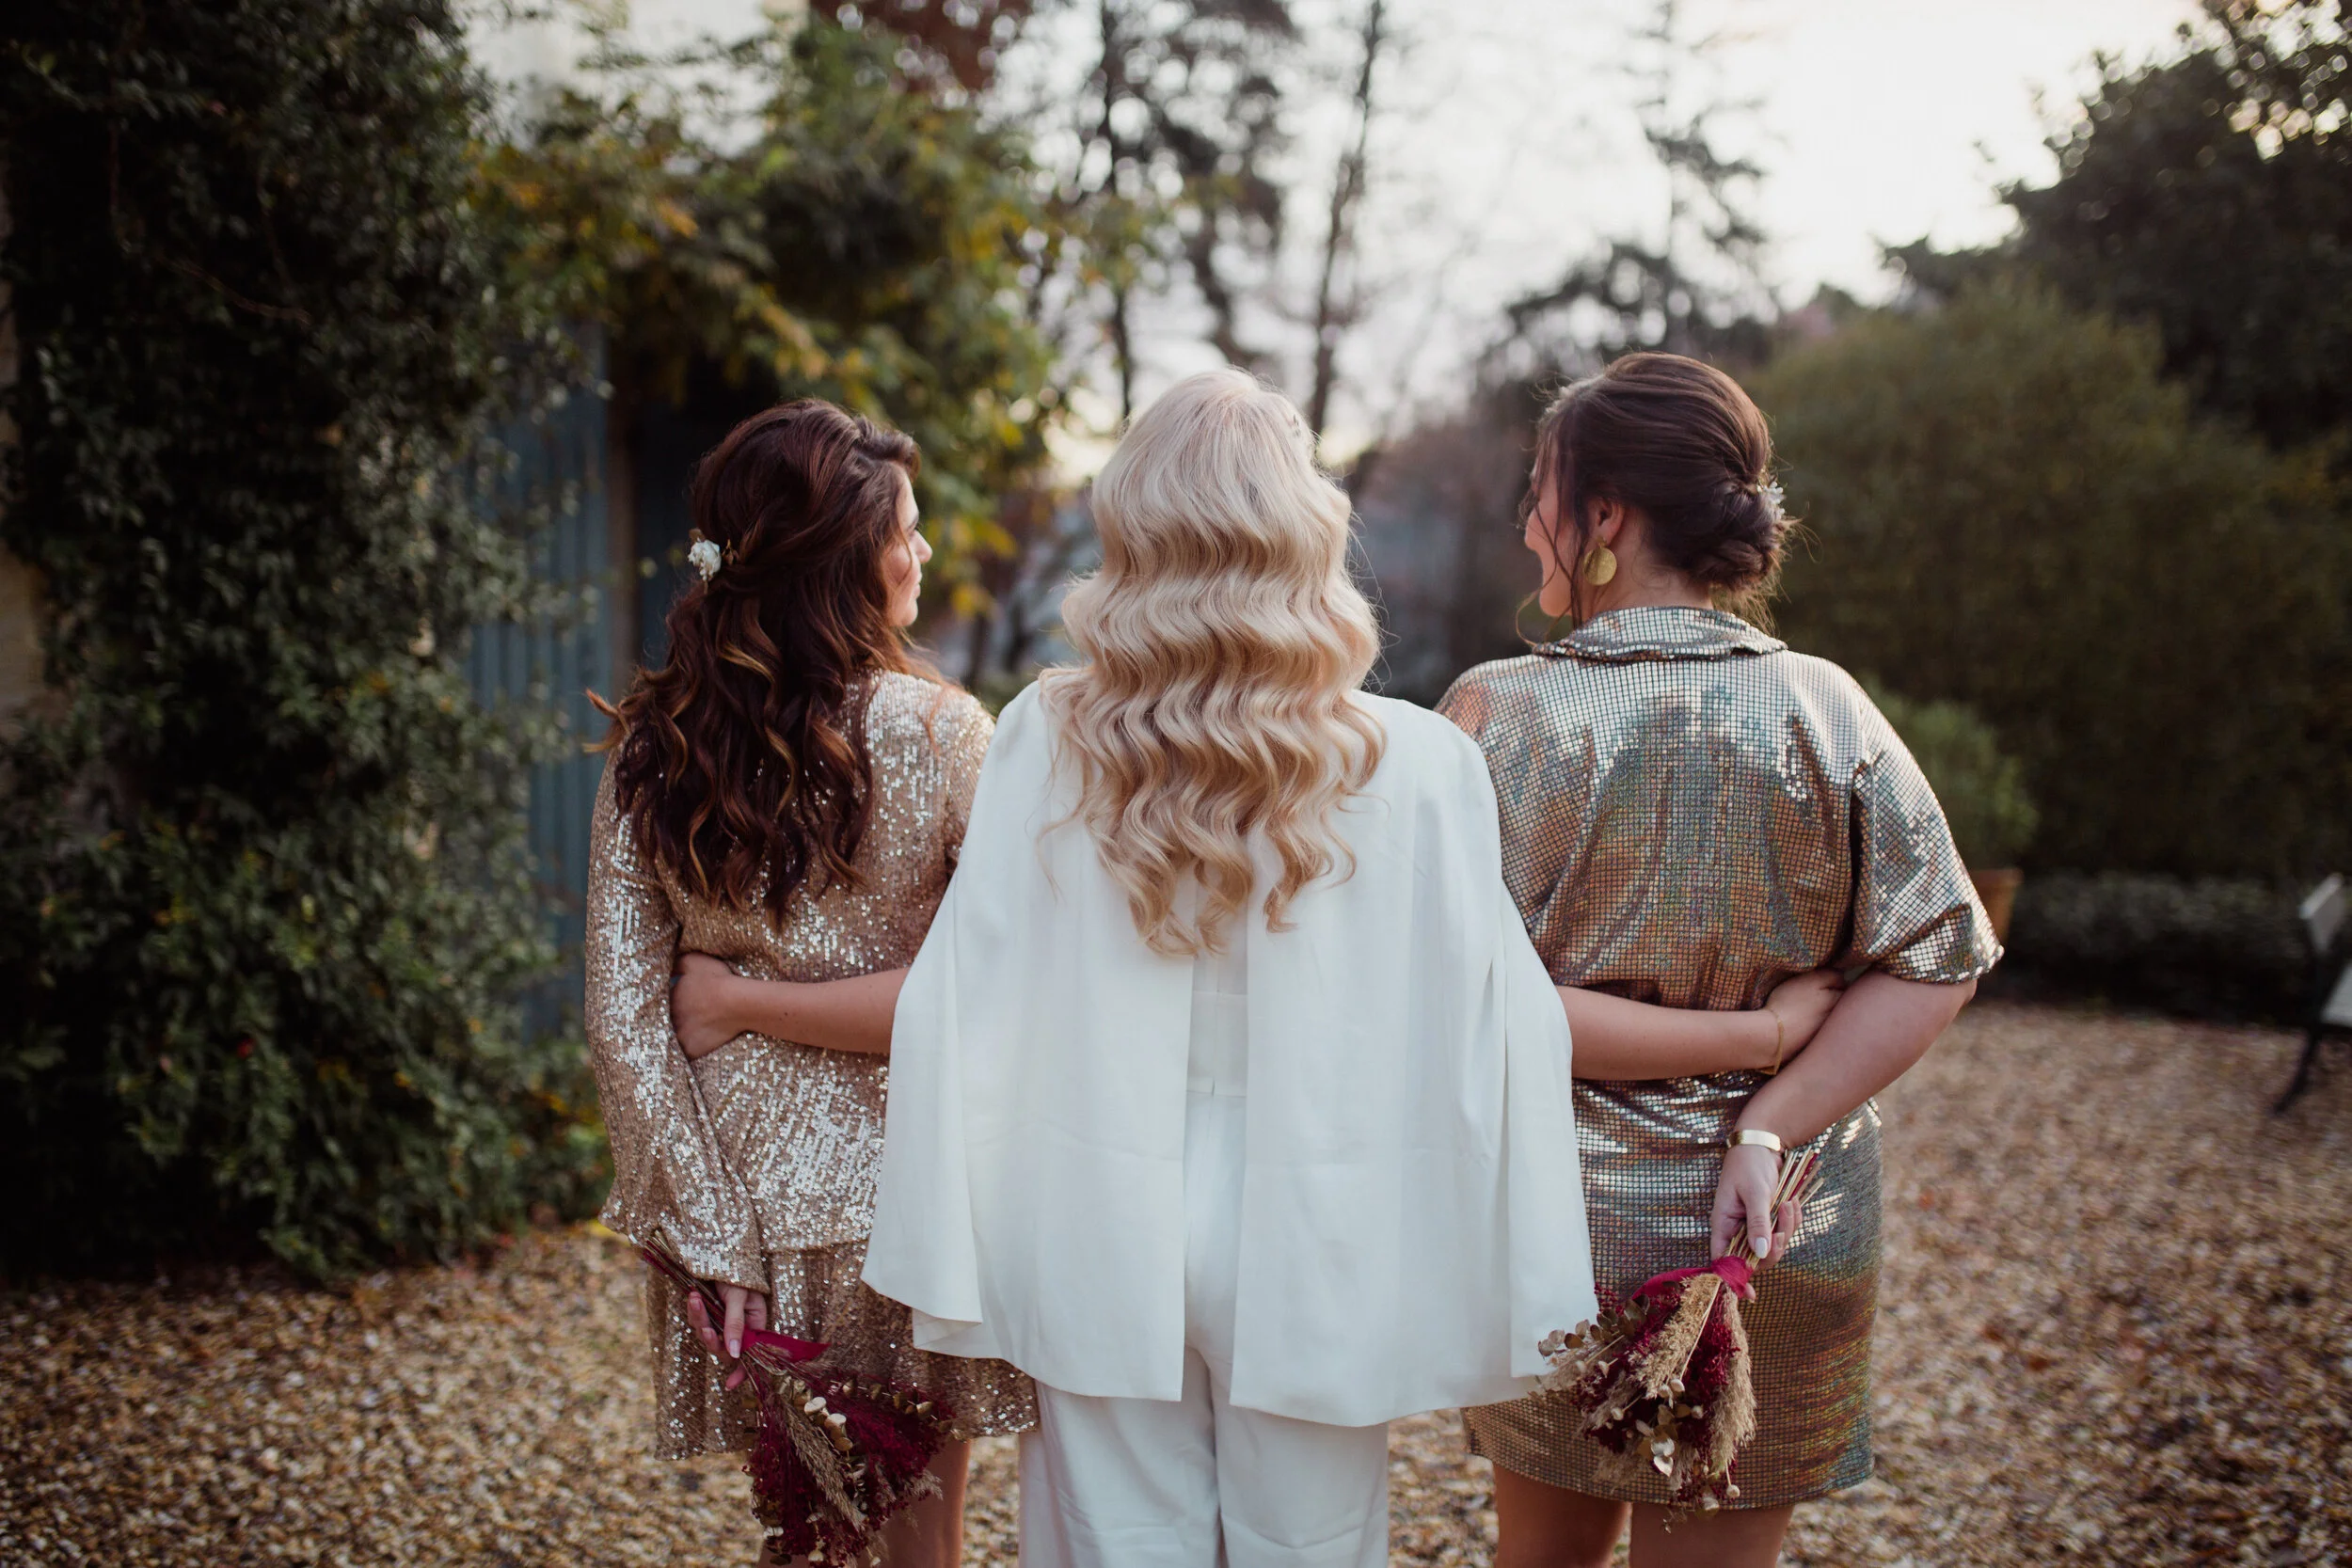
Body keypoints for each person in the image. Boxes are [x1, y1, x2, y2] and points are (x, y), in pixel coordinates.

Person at [672, 369, 1848, 1568]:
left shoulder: (1045, 735)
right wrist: (1750, 1044)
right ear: (1307, 532)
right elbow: (1498, 1029)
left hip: (1099, 1224)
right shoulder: (1422, 763)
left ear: (1133, 525)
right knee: (1311, 1545)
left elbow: (968, 1006)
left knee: (1114, 1542)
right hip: (1319, 1233)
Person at [1439, 352, 2001, 1568]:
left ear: (1605, 516)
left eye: (1543, 489)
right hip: (1780, 1221)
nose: (1528, 523)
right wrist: (1767, 1111)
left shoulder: (1492, 713)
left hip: (1556, 1220)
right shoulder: (1828, 707)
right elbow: (1939, 955)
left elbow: (1476, 1007)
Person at [583, 400, 1035, 1568]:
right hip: (917, 1188)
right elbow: (998, 988)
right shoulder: (944, 734)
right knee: (920, 1528)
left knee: (807, 1526)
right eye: (909, 530)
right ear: (844, 559)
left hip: (742, 1196)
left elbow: (624, 1018)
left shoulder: (655, 747)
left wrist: (706, 1225)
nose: (923, 551)